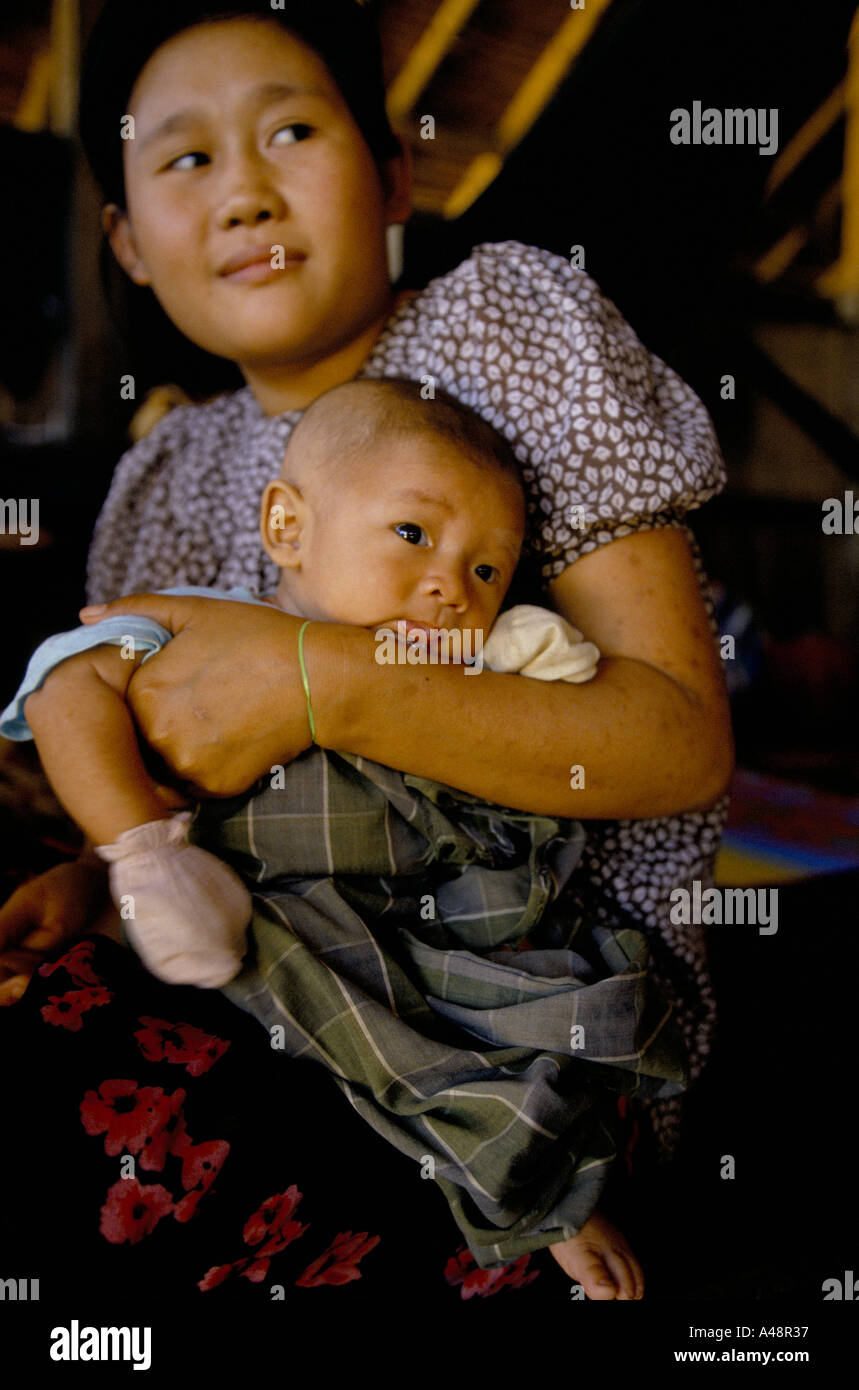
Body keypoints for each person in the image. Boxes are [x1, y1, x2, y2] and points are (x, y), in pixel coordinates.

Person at [0, 0, 733, 1302]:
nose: (242, 192)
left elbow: (672, 743)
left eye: (291, 128)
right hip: (261, 979)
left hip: (519, 1013)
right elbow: (161, 819)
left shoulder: (502, 329)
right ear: (123, 238)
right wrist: (92, 893)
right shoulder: (159, 475)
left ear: (390, 172)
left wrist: (319, 679)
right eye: (184, 159)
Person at [2, 377, 601, 992]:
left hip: (381, 964)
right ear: (288, 527)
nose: (453, 588)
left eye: (486, 569)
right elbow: (68, 688)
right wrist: (134, 855)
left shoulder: (455, 680)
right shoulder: (204, 629)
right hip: (216, 935)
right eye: (413, 533)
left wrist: (515, 652)